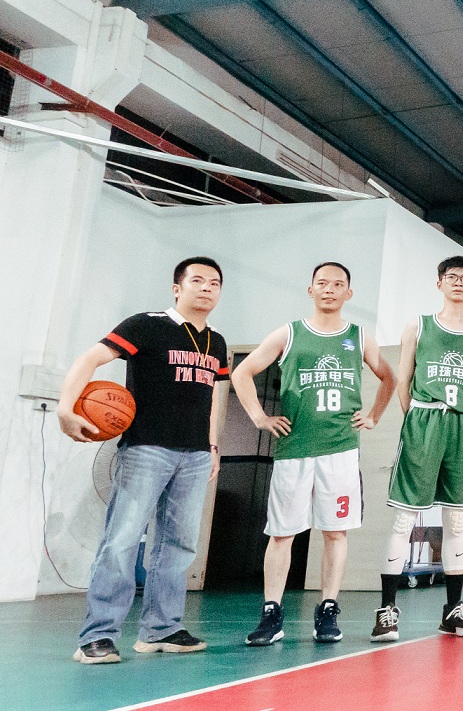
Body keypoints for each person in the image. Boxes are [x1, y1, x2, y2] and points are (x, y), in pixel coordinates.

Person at [60, 257, 231, 664]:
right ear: (177, 288)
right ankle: (97, 636)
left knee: (179, 545)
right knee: (122, 541)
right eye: (197, 280)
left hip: (195, 455)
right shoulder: (146, 324)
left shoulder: (217, 342)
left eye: (214, 283)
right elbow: (89, 359)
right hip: (145, 449)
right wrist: (66, 408)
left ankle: (161, 629)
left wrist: (212, 446)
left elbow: (216, 396)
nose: (207, 288)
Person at [232, 262, 397, 646]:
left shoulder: (358, 337)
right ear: (311, 290)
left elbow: (389, 377)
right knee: (281, 534)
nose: (329, 289)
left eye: (338, 284)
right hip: (294, 449)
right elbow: (241, 372)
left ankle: (327, 610)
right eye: (322, 283)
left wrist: (373, 416)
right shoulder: (288, 333)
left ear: (348, 294)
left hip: (340, 451)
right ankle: (271, 613)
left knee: (335, 533)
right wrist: (259, 417)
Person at [372, 257, 463, 642]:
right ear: (439, 283)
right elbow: (404, 382)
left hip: (462, 424)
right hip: (423, 420)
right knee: (404, 519)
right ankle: (387, 611)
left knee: (457, 521)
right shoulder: (419, 325)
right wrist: (420, 419)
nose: (458, 282)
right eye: (451, 277)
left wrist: (460, 417)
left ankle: (453, 611)